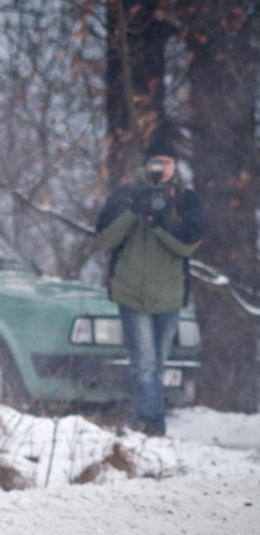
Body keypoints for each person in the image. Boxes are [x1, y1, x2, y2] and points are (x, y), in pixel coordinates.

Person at [95, 133, 205, 436]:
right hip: (132, 293)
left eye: (168, 162)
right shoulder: (126, 193)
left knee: (156, 365)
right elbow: (104, 237)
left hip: (168, 296)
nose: (163, 169)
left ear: (175, 165)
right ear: (147, 164)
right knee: (143, 363)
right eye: (157, 162)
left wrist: (160, 220)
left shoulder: (185, 198)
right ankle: (152, 424)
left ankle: (142, 419)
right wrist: (134, 210)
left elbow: (188, 244)